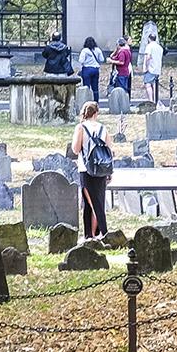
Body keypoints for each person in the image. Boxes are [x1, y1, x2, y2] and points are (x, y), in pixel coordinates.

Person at [70, 102, 111, 238]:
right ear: (96, 113)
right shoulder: (102, 128)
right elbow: (109, 149)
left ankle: (103, 232)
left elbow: (75, 149)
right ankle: (91, 234)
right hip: (101, 168)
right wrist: (110, 172)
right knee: (97, 200)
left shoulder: (80, 128)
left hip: (86, 168)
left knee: (91, 203)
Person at [77, 37, 104, 101]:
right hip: (95, 70)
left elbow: (81, 60)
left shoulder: (84, 51)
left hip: (87, 69)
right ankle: (96, 102)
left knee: (86, 87)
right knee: (95, 88)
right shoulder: (98, 50)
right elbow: (102, 59)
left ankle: (86, 101)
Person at [141, 33, 165, 102]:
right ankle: (155, 100)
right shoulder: (159, 47)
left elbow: (148, 57)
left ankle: (151, 100)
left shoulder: (149, 46)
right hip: (157, 68)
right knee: (155, 84)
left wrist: (146, 67)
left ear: (149, 39)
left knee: (148, 84)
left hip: (150, 68)